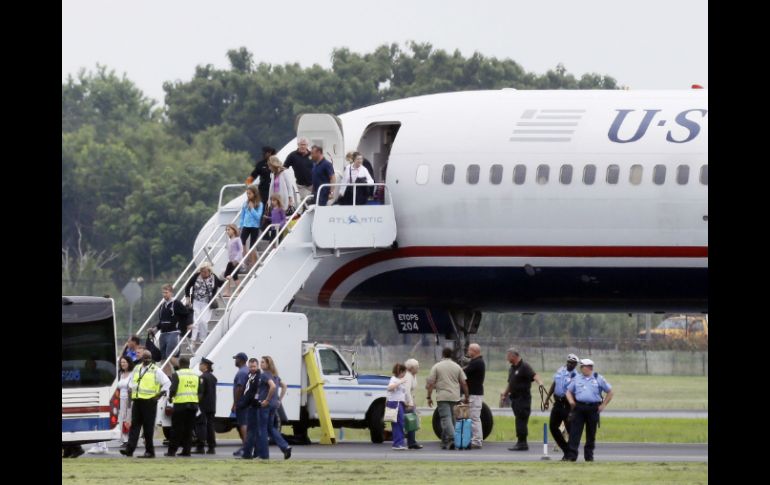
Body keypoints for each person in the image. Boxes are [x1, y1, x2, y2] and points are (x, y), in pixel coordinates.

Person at [120, 350, 171, 458]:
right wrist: (131, 388)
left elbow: (167, 383)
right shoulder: (137, 368)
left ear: (151, 358)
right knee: (135, 427)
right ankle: (129, 450)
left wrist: (158, 395)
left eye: (148, 358)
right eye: (145, 357)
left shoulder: (156, 370)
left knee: (148, 428)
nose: (146, 360)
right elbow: (133, 381)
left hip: (149, 402)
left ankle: (149, 451)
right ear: (142, 358)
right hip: (137, 400)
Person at [564, 359, 614, 462]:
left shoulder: (598, 378)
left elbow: (610, 392)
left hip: (593, 409)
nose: (581, 369)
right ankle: (572, 456)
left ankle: (589, 456)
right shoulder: (577, 378)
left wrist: (604, 404)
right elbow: (568, 391)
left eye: (582, 367)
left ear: (588, 367)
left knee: (591, 433)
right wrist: (571, 401)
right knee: (575, 432)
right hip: (579, 408)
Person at [500, 347, 545, 451]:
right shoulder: (512, 368)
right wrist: (505, 394)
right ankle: (520, 442)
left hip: (523, 398)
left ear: (514, 356)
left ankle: (522, 443)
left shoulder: (525, 366)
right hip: (515, 399)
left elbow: (535, 376)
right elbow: (510, 383)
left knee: (521, 420)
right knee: (519, 420)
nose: (507, 358)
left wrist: (541, 383)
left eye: (508, 356)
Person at [426, 347, 470, 450]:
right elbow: (464, 382)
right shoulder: (457, 367)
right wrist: (467, 396)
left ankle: (453, 439)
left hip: (442, 396)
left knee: (446, 419)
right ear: (452, 355)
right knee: (452, 419)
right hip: (455, 396)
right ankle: (445, 441)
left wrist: (429, 396)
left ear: (442, 355)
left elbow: (430, 383)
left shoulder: (437, 366)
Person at [164, 357, 203, 457]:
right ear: (189, 363)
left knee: (176, 429)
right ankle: (187, 451)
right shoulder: (196, 375)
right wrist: (196, 401)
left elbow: (173, 389)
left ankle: (172, 451)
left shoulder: (177, 374)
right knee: (188, 430)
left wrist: (170, 398)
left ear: (180, 364)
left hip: (180, 405)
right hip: (193, 405)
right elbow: (200, 392)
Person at [255, 356, 292, 460]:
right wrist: (279, 400)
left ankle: (264, 455)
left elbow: (273, 387)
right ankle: (285, 447)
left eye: (262, 362)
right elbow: (284, 386)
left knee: (262, 429)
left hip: (265, 405)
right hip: (273, 405)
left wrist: (266, 400)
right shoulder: (275, 376)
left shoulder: (264, 375)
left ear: (267, 365)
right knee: (271, 428)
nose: (261, 364)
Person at [544, 353, 580, 457]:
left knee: (570, 430)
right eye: (569, 362)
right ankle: (566, 450)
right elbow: (554, 384)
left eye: (573, 363)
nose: (570, 364)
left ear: (575, 365)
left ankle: (572, 453)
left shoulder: (576, 376)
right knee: (553, 427)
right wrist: (547, 399)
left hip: (567, 404)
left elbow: (576, 392)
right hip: (557, 403)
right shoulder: (560, 370)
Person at [184, 262, 224, 345]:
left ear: (209, 271)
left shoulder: (213, 277)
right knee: (195, 321)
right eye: (202, 271)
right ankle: (193, 341)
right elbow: (187, 287)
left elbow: (220, 283)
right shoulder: (196, 276)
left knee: (203, 321)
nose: (203, 273)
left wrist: (227, 278)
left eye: (205, 272)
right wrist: (188, 298)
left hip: (207, 303)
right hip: (196, 301)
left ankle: (202, 338)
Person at [153, 284, 188, 363]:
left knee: (170, 356)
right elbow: (161, 321)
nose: (164, 295)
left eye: (166, 292)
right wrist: (155, 328)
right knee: (163, 358)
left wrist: (184, 327)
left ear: (171, 293)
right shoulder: (162, 306)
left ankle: (178, 370)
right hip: (163, 334)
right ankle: (167, 375)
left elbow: (186, 314)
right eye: (163, 293)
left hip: (173, 333)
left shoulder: (176, 303)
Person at [463, 343, 486, 449]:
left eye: (469, 350)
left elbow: (464, 372)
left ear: (474, 351)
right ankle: (475, 439)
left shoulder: (477, 363)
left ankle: (476, 441)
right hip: (475, 394)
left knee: (474, 418)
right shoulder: (475, 362)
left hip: (475, 394)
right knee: (474, 418)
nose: (468, 352)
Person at [193, 357, 218, 454]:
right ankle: (211, 447)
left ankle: (200, 446)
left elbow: (201, 393)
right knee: (210, 426)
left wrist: (196, 403)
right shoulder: (213, 377)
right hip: (212, 405)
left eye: (201, 364)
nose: (199, 366)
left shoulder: (202, 378)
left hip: (203, 406)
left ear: (205, 366)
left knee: (201, 425)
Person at [240, 358, 261, 460]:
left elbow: (253, 393)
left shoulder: (258, 377)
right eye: (251, 366)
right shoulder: (249, 375)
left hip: (254, 406)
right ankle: (253, 452)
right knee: (252, 431)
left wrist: (244, 403)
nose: (252, 368)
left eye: (254, 366)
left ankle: (250, 453)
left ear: (257, 366)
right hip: (250, 406)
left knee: (252, 431)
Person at [238, 185, 264, 268]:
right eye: (247, 194)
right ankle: (245, 260)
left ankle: (253, 264)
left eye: (249, 194)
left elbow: (258, 217)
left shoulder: (260, 204)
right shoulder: (245, 204)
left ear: (254, 194)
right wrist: (240, 226)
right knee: (242, 243)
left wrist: (252, 208)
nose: (248, 195)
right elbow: (242, 216)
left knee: (252, 246)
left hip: (254, 227)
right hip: (246, 225)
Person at [386, 363, 409, 450]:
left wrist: (406, 403)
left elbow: (401, 393)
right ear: (400, 371)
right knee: (398, 424)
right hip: (395, 403)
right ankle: (397, 443)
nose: (405, 374)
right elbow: (389, 388)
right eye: (404, 372)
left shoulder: (400, 380)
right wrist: (399, 382)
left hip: (400, 403)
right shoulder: (394, 379)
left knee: (401, 423)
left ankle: (400, 443)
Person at [231, 352, 250, 457]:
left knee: (243, 424)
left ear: (241, 360)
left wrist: (235, 403)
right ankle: (245, 447)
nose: (235, 361)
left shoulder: (242, 372)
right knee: (242, 424)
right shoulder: (245, 371)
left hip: (242, 403)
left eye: (236, 359)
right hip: (244, 402)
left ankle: (246, 448)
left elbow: (240, 388)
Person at [403, 358, 423, 450]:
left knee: (411, 422)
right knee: (411, 422)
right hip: (407, 402)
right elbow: (406, 391)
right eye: (416, 367)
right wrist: (410, 403)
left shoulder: (412, 375)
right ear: (411, 368)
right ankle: (411, 442)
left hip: (411, 400)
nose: (418, 368)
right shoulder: (408, 376)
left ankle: (411, 441)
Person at [223, 224, 243, 296]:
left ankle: (239, 290)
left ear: (234, 230)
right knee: (226, 275)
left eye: (229, 230)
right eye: (226, 230)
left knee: (234, 275)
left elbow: (241, 250)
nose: (227, 231)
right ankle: (227, 292)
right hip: (230, 261)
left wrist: (236, 259)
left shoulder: (237, 239)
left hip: (237, 261)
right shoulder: (229, 240)